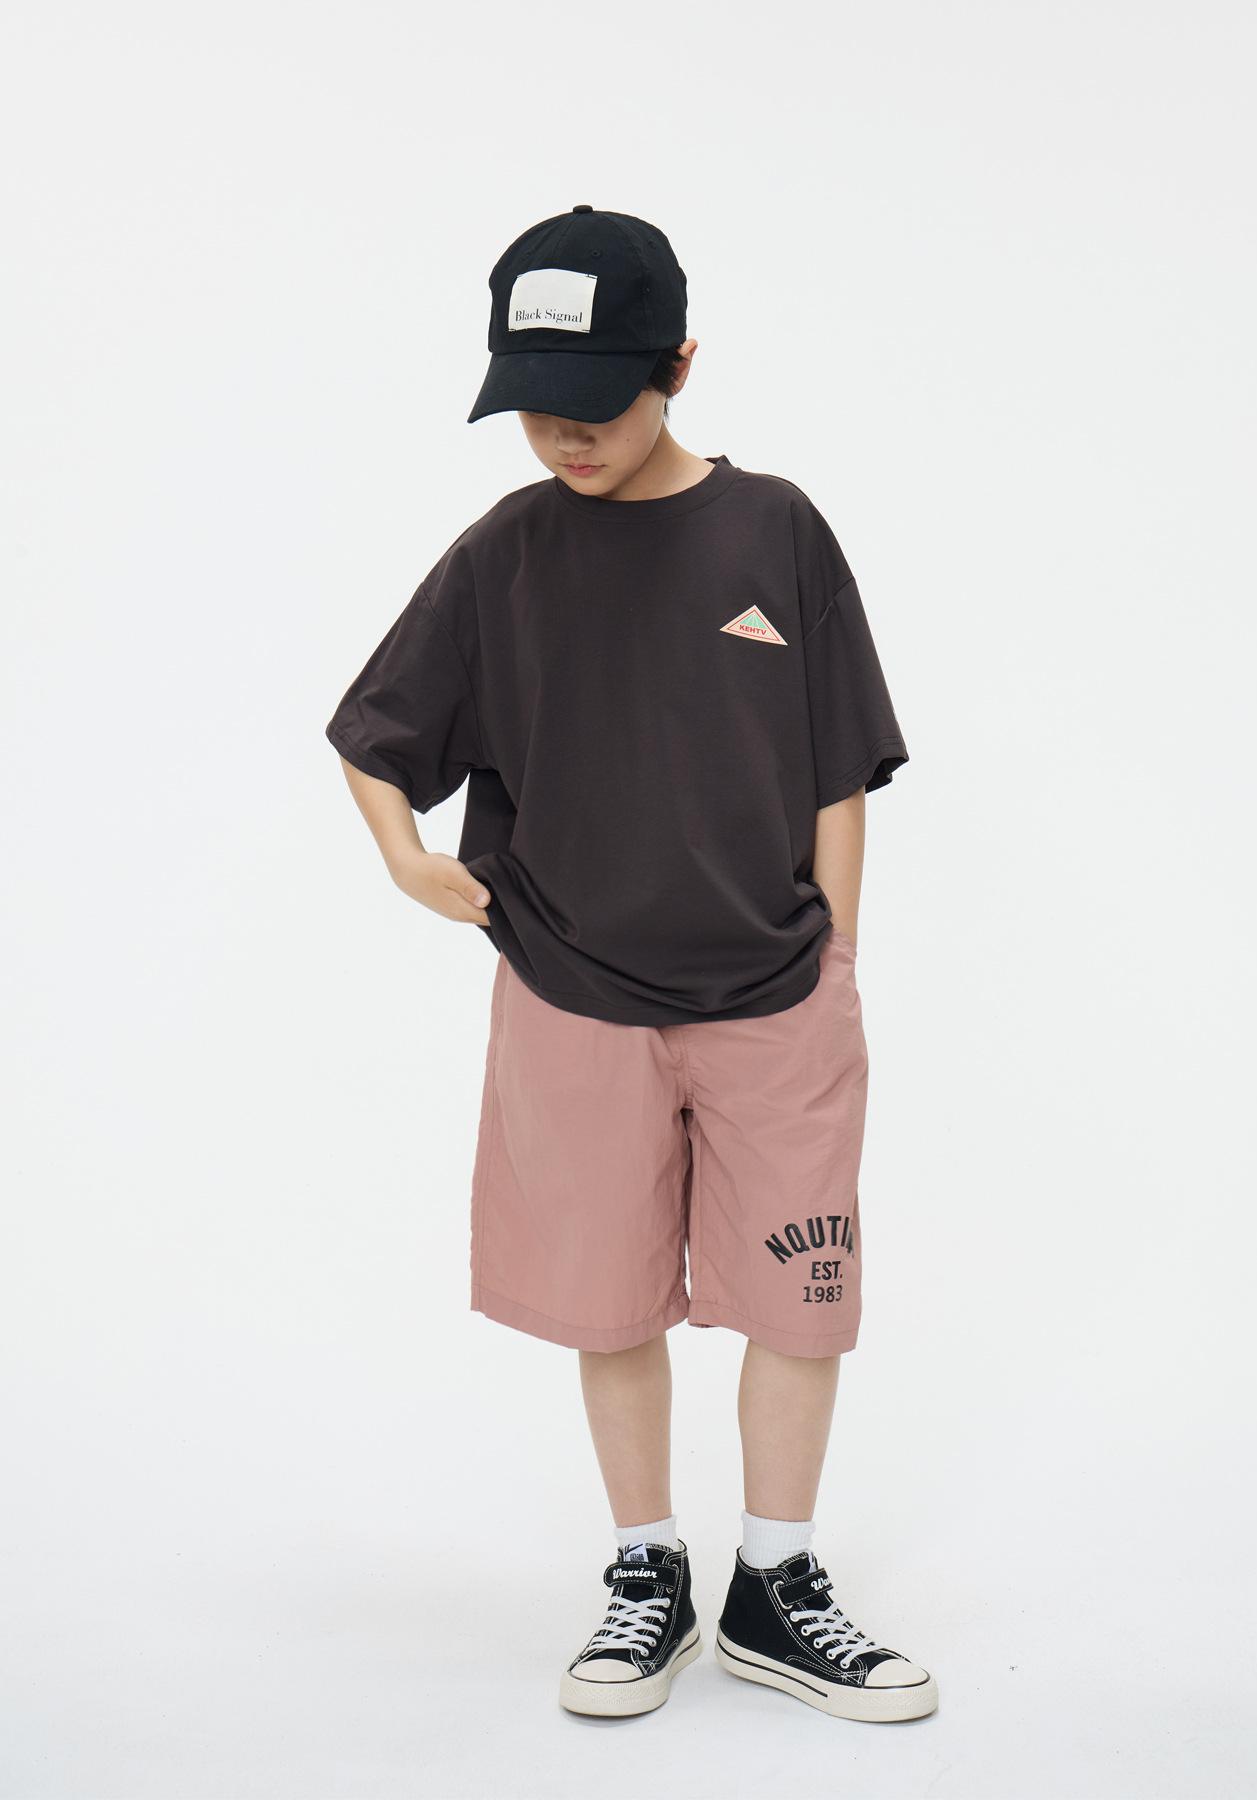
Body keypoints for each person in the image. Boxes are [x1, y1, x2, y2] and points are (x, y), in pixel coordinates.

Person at [324, 205, 938, 1724]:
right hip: (571, 988)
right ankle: (645, 1568)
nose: (564, 434)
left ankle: (775, 1583)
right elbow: (376, 734)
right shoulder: (505, 553)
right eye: (536, 403)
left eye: (594, 400)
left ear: (679, 364)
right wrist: (405, 857)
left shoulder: (774, 529)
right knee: (609, 1303)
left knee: (802, 1298)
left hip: (775, 993)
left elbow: (838, 768)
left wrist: (839, 953)